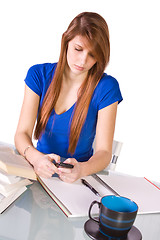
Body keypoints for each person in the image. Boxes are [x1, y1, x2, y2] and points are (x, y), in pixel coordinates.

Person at [14, 12, 123, 183]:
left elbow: (104, 153)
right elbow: (22, 133)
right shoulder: (38, 75)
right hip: (39, 172)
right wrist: (37, 159)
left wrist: (82, 169)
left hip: (80, 178)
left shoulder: (106, 87)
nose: (83, 60)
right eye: (78, 49)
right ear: (66, 41)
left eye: (93, 54)